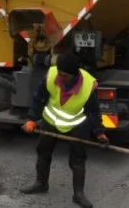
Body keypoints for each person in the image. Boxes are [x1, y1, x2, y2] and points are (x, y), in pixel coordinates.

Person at [20, 53, 109, 208]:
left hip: (76, 124)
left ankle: (78, 195)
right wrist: (31, 119)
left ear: (75, 75)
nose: (61, 78)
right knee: (43, 152)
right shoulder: (52, 75)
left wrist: (99, 133)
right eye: (60, 74)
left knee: (78, 159)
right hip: (51, 120)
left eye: (65, 76)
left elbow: (93, 112)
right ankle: (41, 184)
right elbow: (39, 98)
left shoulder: (88, 85)